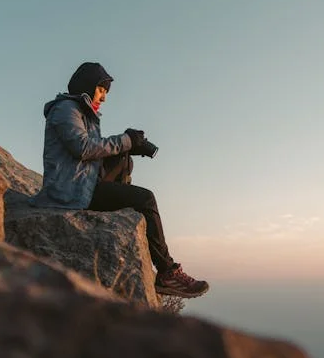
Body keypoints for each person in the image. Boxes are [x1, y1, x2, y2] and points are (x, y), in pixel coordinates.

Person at [29, 62, 209, 298]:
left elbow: (92, 154)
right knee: (146, 198)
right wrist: (125, 140)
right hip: (71, 189)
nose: (103, 98)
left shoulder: (81, 112)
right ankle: (166, 272)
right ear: (88, 86)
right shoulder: (65, 110)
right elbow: (82, 148)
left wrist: (129, 147)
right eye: (101, 90)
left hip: (82, 180)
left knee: (123, 155)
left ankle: (124, 205)